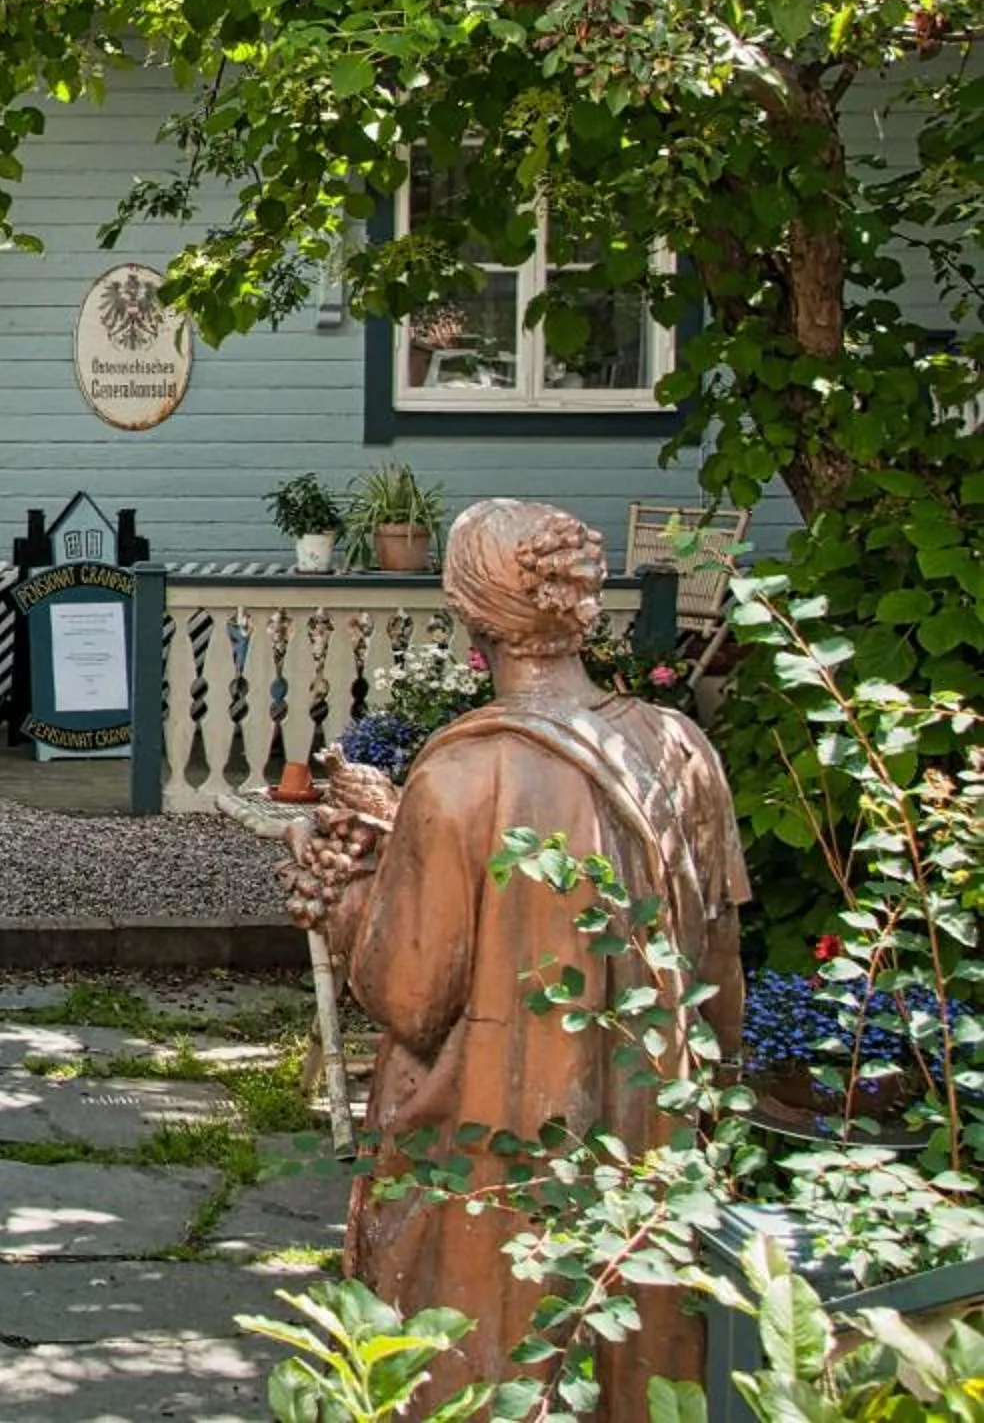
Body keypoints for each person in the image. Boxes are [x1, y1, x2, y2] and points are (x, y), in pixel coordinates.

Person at [297, 499, 747, 1420]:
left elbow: (412, 998)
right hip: (643, 1138)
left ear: (469, 614)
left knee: (488, 1354)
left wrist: (346, 896)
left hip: (490, 1158)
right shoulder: (679, 748)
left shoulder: (461, 776)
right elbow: (720, 968)